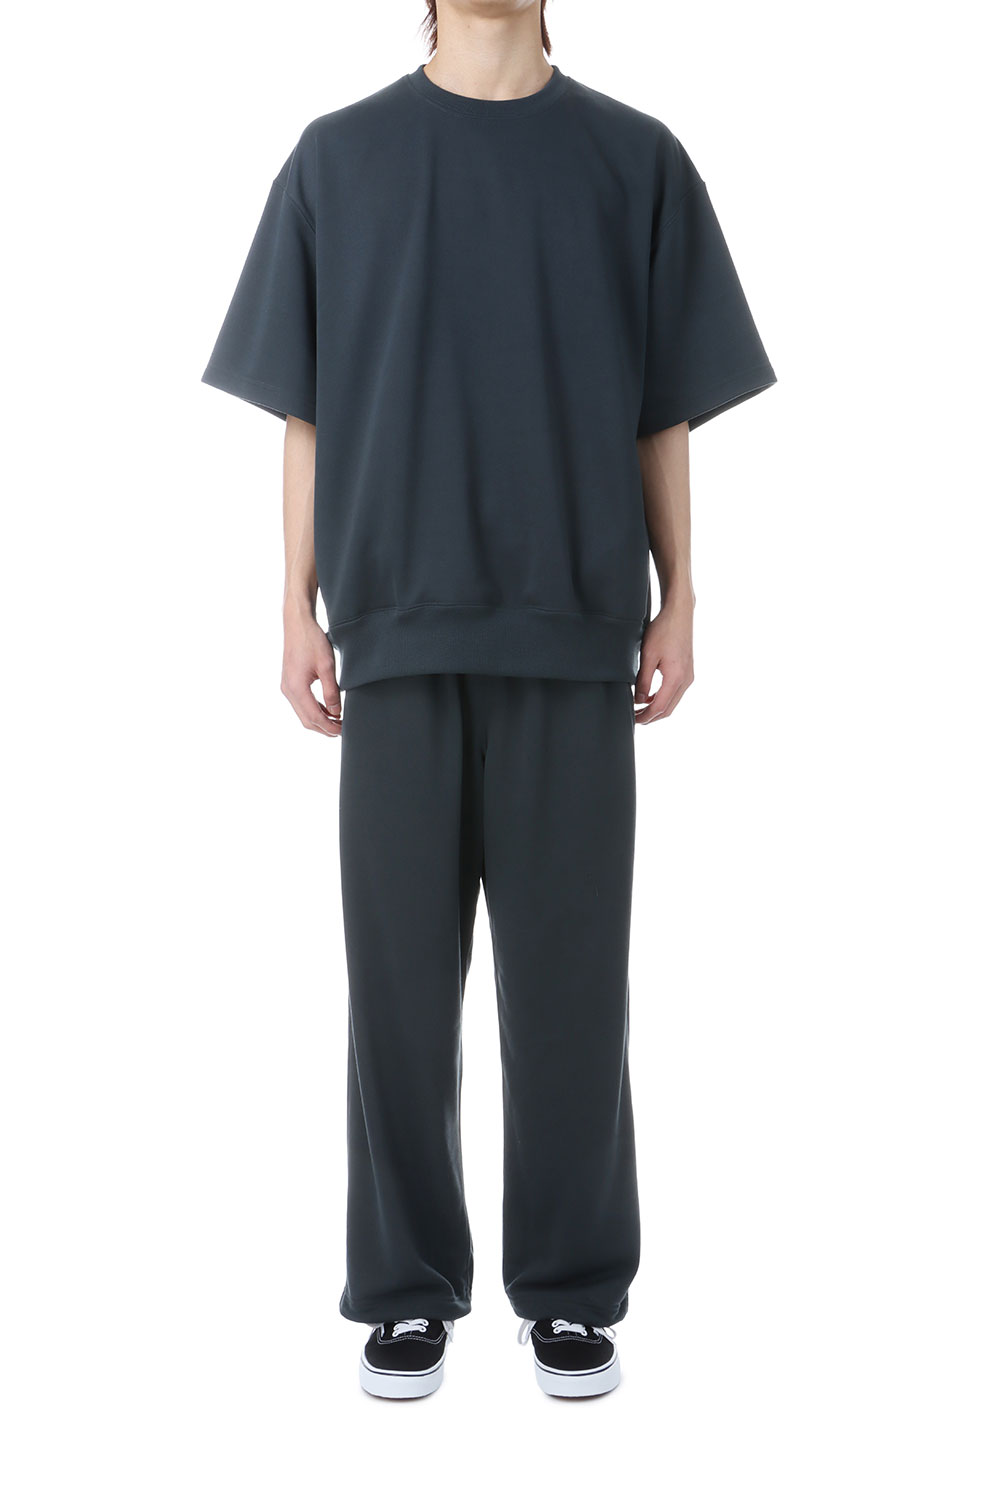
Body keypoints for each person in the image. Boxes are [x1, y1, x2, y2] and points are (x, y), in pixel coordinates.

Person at [201, 0, 775, 1400]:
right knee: (396, 992)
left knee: (571, 992)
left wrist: (682, 594)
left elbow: (662, 406)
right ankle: (405, 1294)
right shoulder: (338, 159)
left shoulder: (635, 160)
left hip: (574, 630)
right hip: (394, 632)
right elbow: (308, 408)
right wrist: (294, 606)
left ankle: (571, 1294)